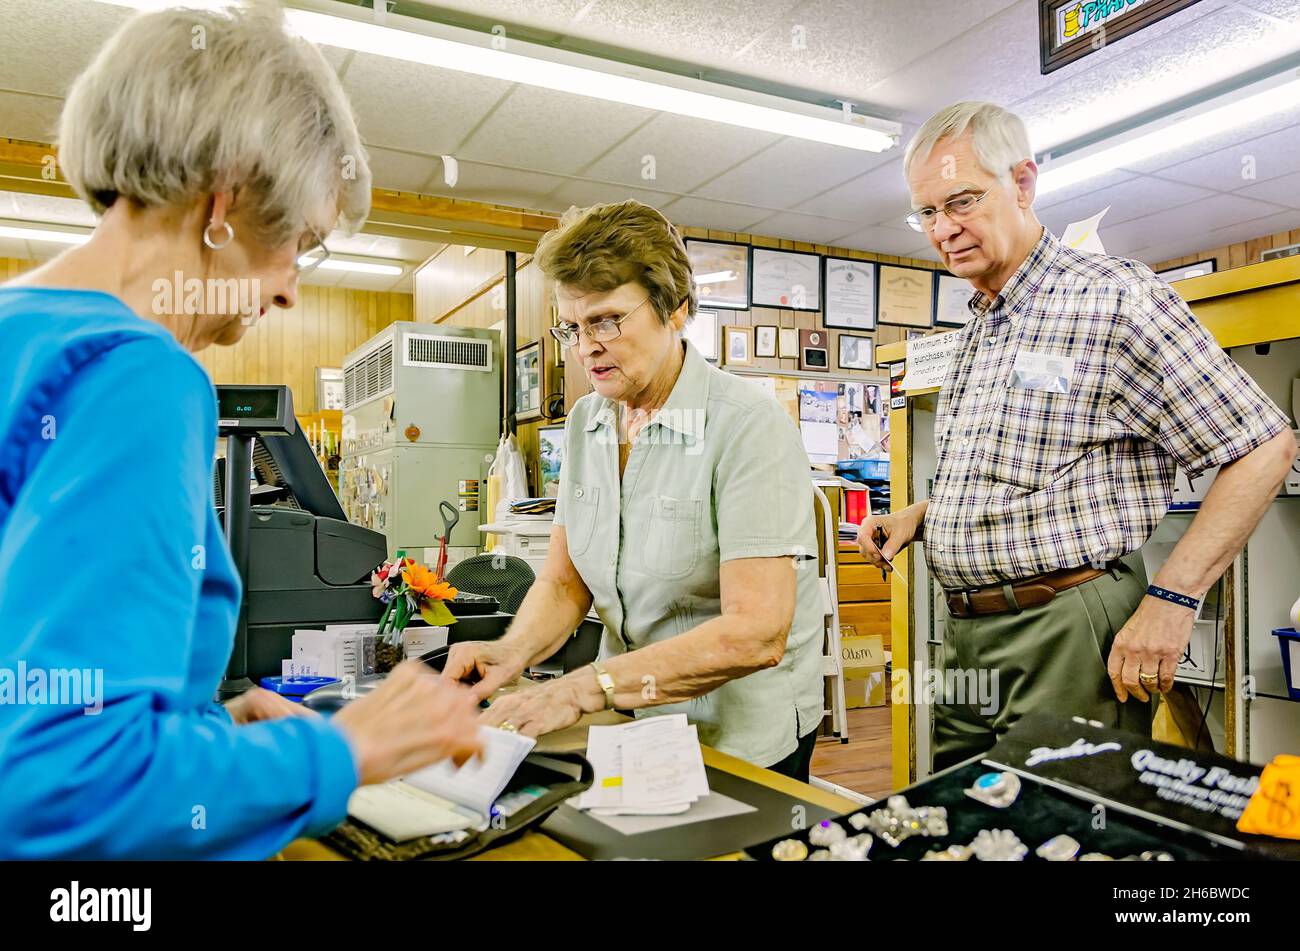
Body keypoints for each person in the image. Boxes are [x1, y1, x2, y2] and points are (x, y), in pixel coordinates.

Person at [0, 1, 481, 860]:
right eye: (298, 241)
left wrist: (210, 729)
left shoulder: (24, 335)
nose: (292, 288)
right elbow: (65, 785)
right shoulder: (135, 374)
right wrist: (339, 751)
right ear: (223, 202)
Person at [858, 101, 1296, 770]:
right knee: (970, 825)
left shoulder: (1117, 299)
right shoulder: (981, 322)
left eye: (963, 201)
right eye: (928, 212)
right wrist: (923, 516)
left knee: (1066, 827)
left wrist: (1173, 599)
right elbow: (1032, 471)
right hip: (967, 631)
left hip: (1066, 624)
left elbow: (1265, 445)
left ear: (1024, 183)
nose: (944, 228)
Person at [443, 200, 826, 780]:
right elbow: (563, 581)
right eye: (572, 326)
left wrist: (580, 690)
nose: (585, 347)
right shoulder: (585, 423)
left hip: (739, 735)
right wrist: (511, 652)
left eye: (606, 320)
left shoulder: (747, 424)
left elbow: (757, 632)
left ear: (676, 308)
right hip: (630, 720)